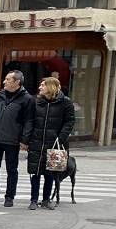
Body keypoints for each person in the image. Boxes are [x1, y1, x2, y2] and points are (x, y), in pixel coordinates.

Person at [0, 70, 34, 207]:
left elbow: (29, 121)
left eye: (8, 79)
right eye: (5, 79)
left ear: (17, 82)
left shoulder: (27, 99)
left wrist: (25, 140)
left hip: (12, 139)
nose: (4, 82)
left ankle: (9, 197)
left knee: (11, 169)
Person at [25, 76, 75, 211]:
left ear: (51, 87)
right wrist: (26, 139)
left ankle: (46, 200)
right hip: (37, 141)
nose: (40, 87)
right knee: (35, 172)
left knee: (50, 173)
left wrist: (61, 137)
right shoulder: (36, 102)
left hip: (55, 143)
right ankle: (33, 200)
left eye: (43, 85)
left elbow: (69, 122)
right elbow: (29, 121)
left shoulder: (66, 103)